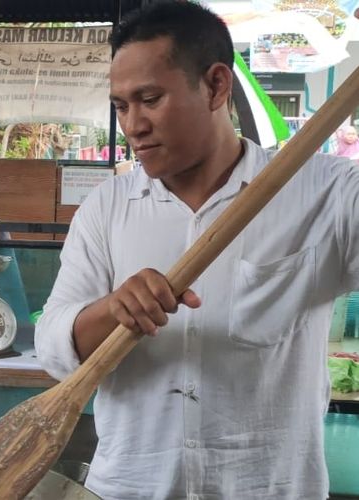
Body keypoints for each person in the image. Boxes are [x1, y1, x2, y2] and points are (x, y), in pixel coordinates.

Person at [34, 2, 359, 499]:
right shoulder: (107, 207)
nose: (133, 125)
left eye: (150, 99)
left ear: (215, 86)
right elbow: (56, 349)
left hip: (266, 488)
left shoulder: (326, 195)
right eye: (122, 105)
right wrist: (112, 309)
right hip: (127, 488)